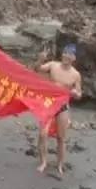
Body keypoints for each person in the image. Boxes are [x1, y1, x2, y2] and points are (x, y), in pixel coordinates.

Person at [34, 44, 82, 175]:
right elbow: (37, 69)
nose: (66, 56)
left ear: (74, 58)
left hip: (63, 106)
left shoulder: (76, 75)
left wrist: (75, 94)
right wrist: (40, 59)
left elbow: (79, 94)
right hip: (49, 103)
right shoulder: (53, 65)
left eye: (70, 54)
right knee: (43, 134)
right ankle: (43, 162)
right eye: (65, 53)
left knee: (61, 138)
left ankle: (60, 164)